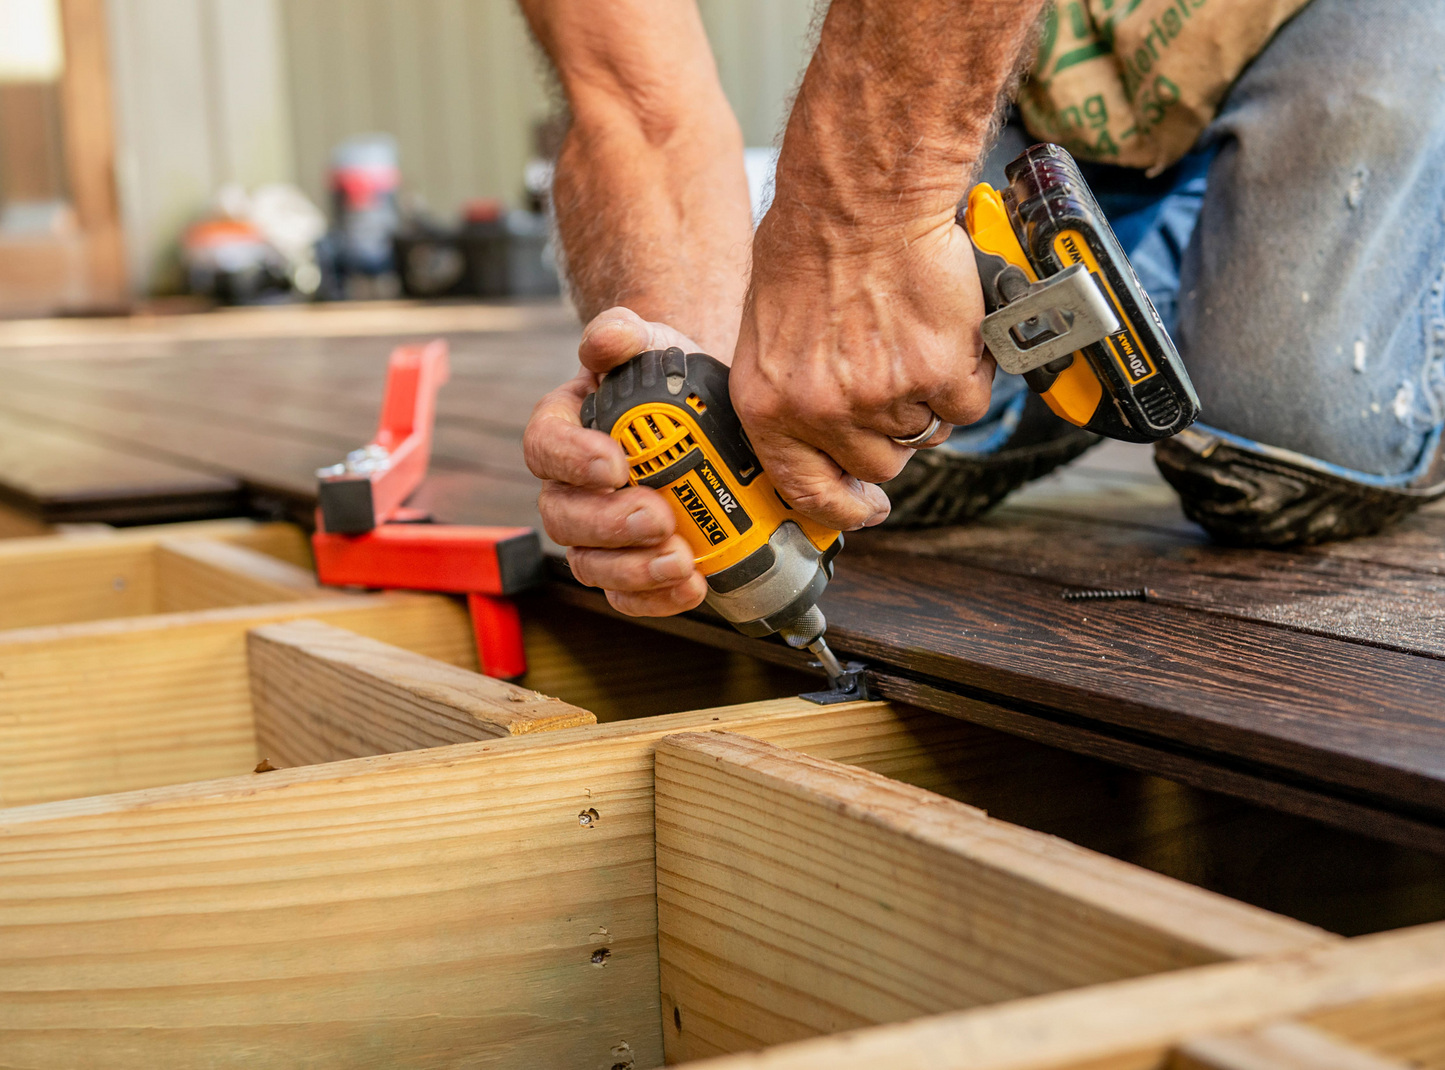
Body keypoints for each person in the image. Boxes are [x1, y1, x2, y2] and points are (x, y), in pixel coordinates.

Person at [517, 0, 1445, 620]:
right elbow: (632, 101)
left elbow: (859, 207)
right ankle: (1149, 258)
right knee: (860, 443)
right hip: (1046, 57)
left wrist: (867, 228)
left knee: (1290, 443)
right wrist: (700, 385)